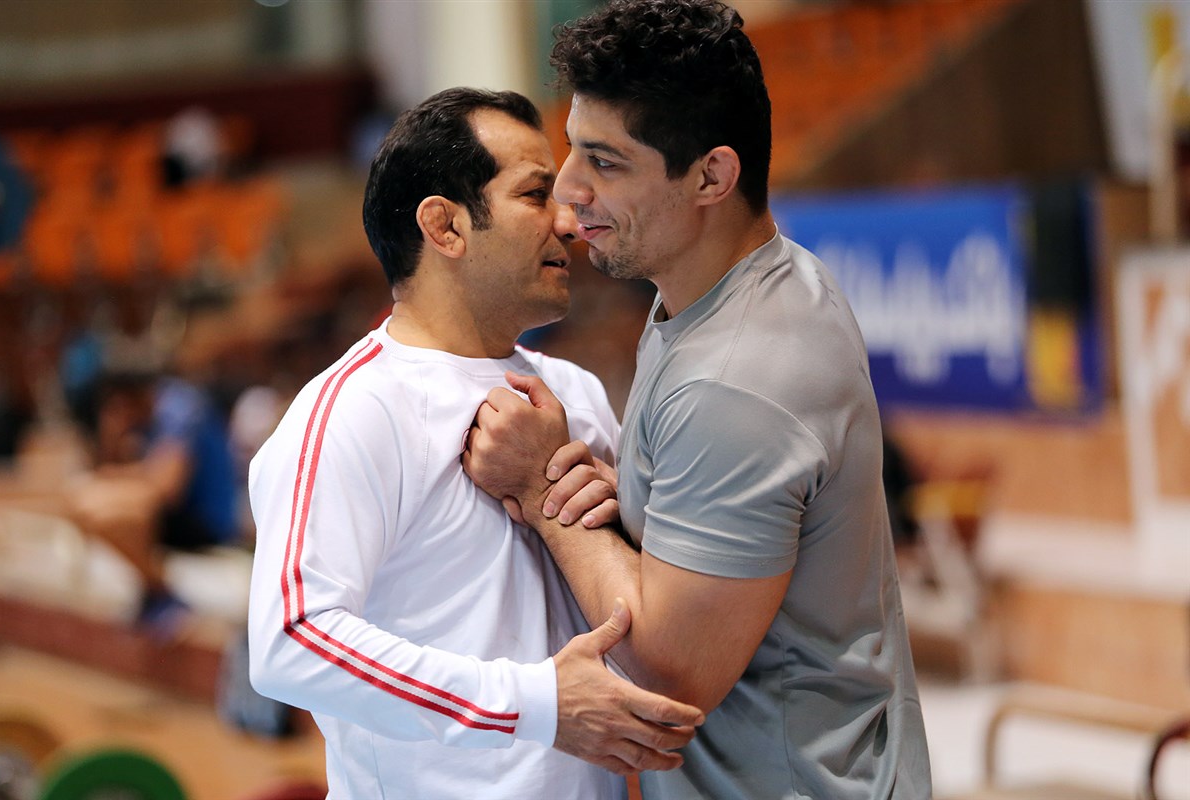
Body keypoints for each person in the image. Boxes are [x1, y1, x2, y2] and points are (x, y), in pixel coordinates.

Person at [461, 2, 932, 798]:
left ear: (712, 176)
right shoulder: (760, 278)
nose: (568, 191)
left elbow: (671, 677)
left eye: (606, 163)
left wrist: (544, 493)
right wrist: (640, 509)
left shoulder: (736, 378)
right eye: (573, 148)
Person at [245, 87, 703, 800]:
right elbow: (291, 640)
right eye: (535, 195)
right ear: (446, 226)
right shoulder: (352, 410)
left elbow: (641, 609)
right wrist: (534, 704)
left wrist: (629, 516)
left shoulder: (575, 391)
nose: (569, 222)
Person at [67, 343, 237, 637]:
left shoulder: (180, 406)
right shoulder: (144, 413)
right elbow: (116, 470)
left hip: (206, 519)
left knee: (104, 513)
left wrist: (116, 480)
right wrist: (113, 436)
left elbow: (166, 488)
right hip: (175, 514)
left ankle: (164, 594)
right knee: (84, 501)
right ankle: (154, 591)